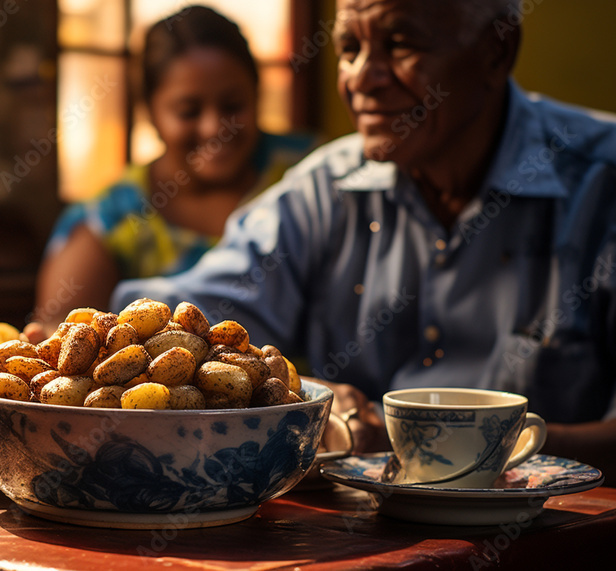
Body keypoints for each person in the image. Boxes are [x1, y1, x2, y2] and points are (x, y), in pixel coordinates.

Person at [113, 0, 616, 480]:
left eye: (399, 45)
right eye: (349, 49)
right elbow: (181, 321)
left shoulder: (602, 184)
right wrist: (321, 401)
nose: (362, 78)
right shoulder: (325, 190)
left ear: (496, 51)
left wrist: (421, 443)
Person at [34, 5, 313, 328]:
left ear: (257, 95)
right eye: (188, 111)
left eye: (233, 106)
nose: (214, 127)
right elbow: (59, 332)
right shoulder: (109, 221)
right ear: (151, 112)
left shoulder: (306, 176)